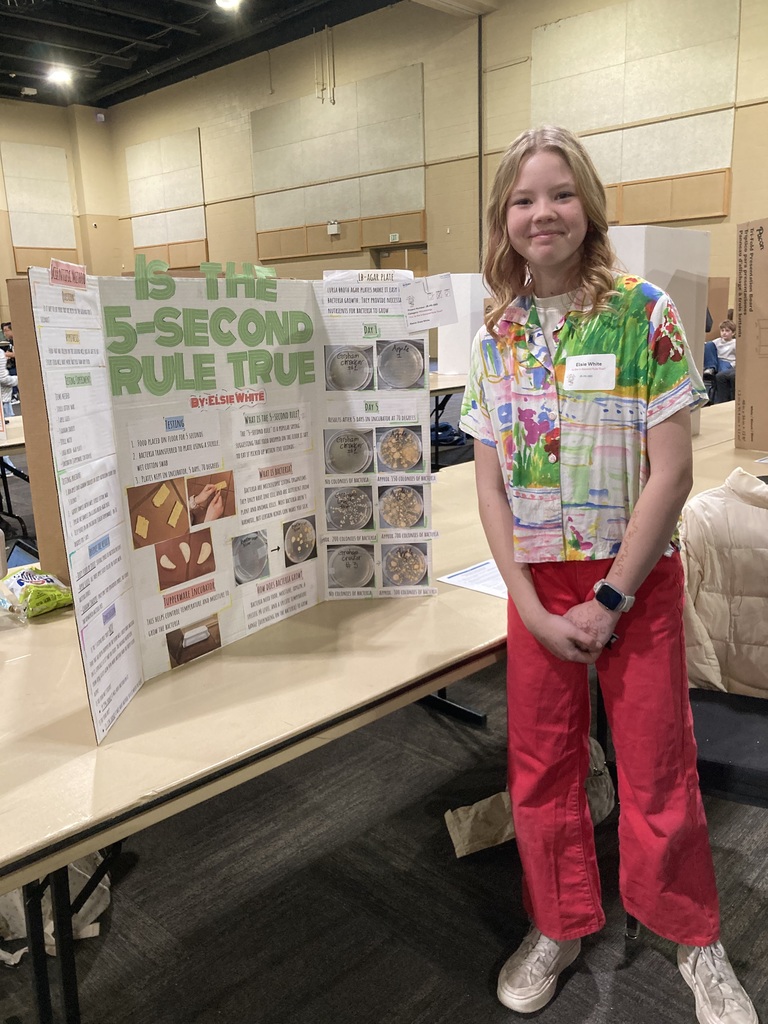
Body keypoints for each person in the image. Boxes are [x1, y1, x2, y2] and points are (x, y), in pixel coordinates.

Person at [459, 125, 759, 1024]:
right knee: (541, 770)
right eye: (521, 199)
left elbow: (673, 471)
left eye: (558, 193)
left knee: (657, 767)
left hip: (634, 580)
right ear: (502, 219)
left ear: (586, 204)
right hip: (537, 589)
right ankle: (559, 922)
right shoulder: (498, 336)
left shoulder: (644, 312)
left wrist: (613, 595)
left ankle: (693, 935)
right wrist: (526, 601)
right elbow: (488, 478)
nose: (540, 213)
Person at [703, 319, 737, 404]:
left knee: (721, 376)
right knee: (709, 345)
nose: (724, 333)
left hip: (727, 363)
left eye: (727, 331)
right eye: (722, 330)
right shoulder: (717, 341)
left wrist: (733, 365)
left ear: (733, 333)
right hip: (716, 362)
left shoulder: (735, 343)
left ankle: (718, 399)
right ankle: (710, 368)